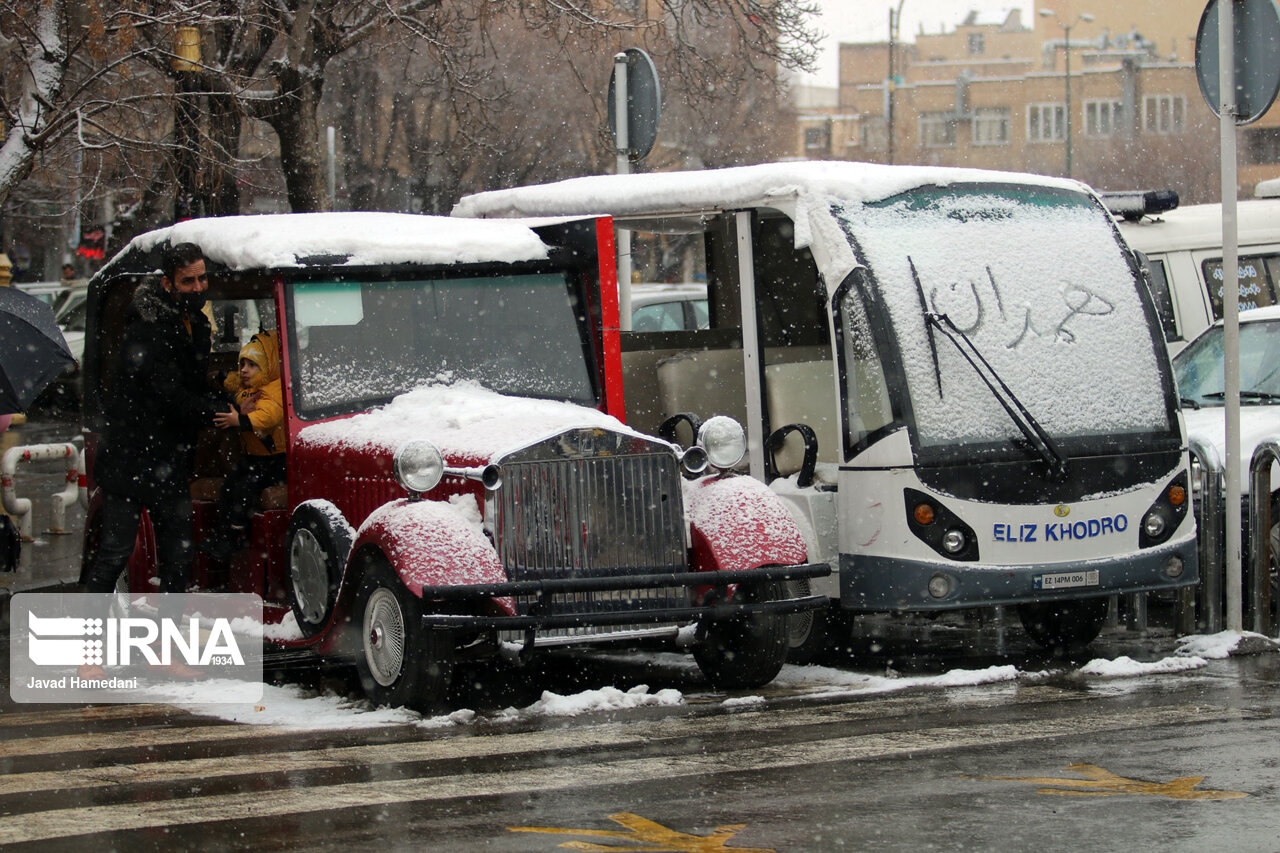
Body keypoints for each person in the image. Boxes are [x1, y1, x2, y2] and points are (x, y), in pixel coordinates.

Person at [84, 243, 223, 634]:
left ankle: (167, 647)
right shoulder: (147, 327)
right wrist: (220, 413)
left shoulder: (194, 323)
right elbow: (170, 394)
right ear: (167, 283)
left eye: (201, 278)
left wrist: (224, 399)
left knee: (179, 558)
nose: (198, 287)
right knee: (114, 555)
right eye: (188, 281)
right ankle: (89, 650)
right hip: (129, 460)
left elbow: (193, 383)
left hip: (168, 460)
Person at [200, 330, 285, 561]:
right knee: (230, 486)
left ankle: (234, 533)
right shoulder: (250, 386)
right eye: (243, 364)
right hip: (254, 458)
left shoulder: (273, 392)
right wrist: (217, 377)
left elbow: (268, 417)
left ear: (267, 367)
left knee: (243, 489)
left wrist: (238, 419)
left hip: (274, 461)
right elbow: (233, 384)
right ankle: (223, 531)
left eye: (252, 365)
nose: (245, 370)